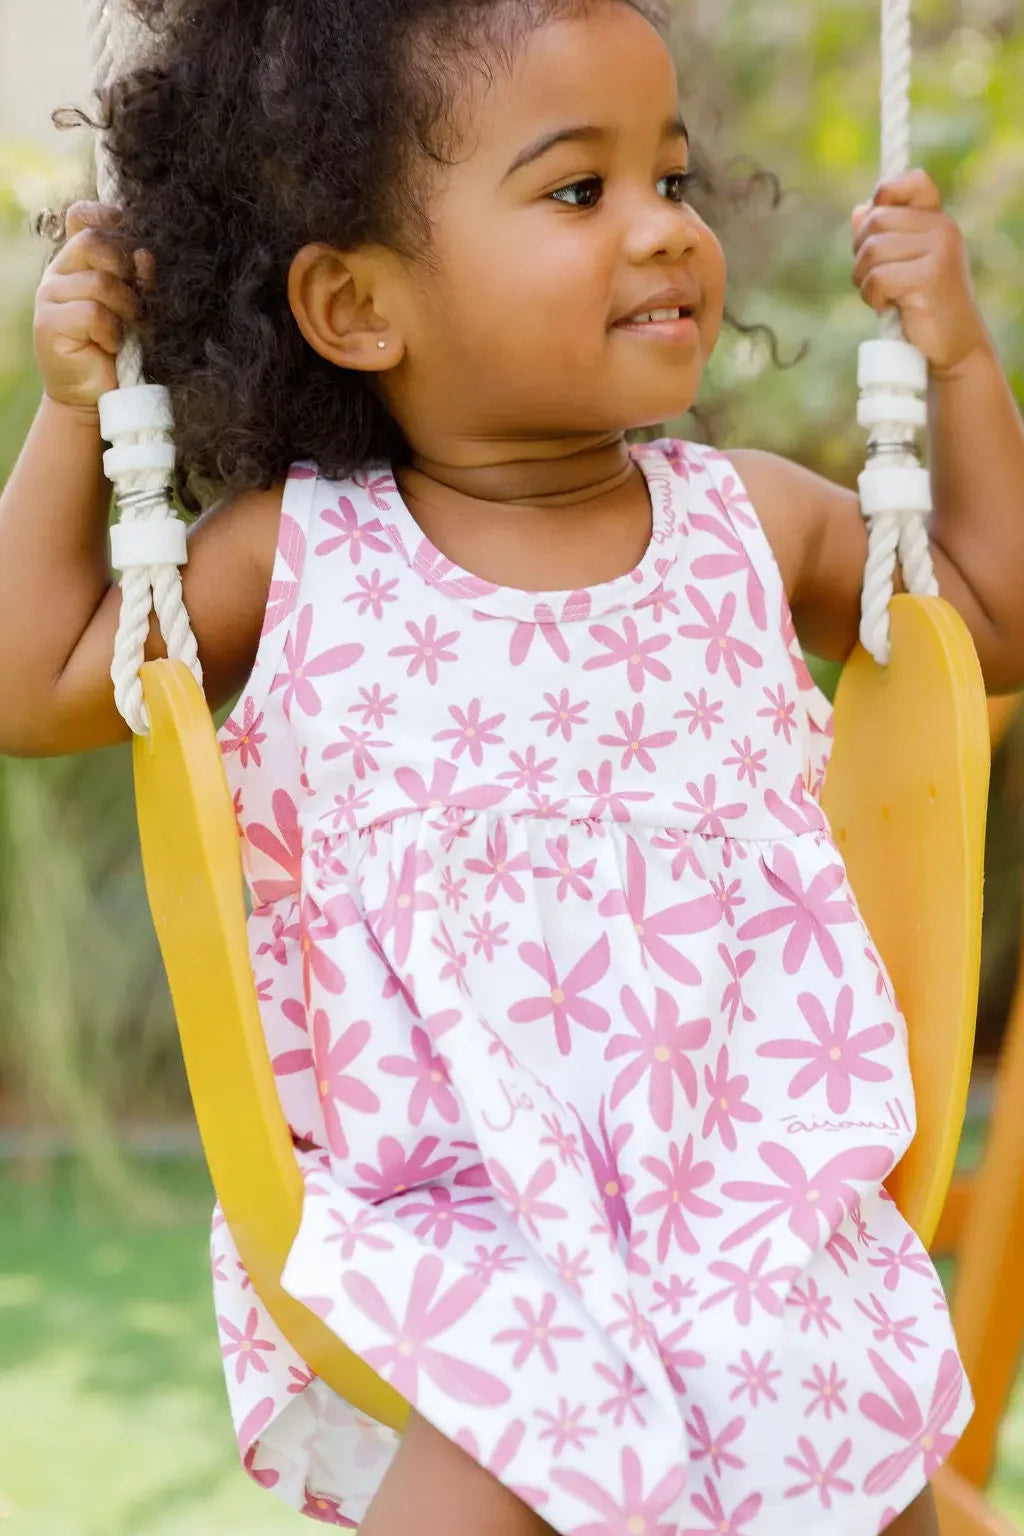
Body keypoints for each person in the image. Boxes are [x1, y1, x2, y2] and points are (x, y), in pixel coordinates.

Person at [2, 1, 1023, 1531]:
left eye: (670, 181)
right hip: (453, 1227)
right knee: (484, 1497)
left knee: (873, 1486)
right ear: (355, 306)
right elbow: (38, 684)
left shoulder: (752, 522)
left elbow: (991, 624)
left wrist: (955, 359)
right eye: (578, 191)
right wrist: (77, 422)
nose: (663, 232)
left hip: (742, 1210)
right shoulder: (300, 562)